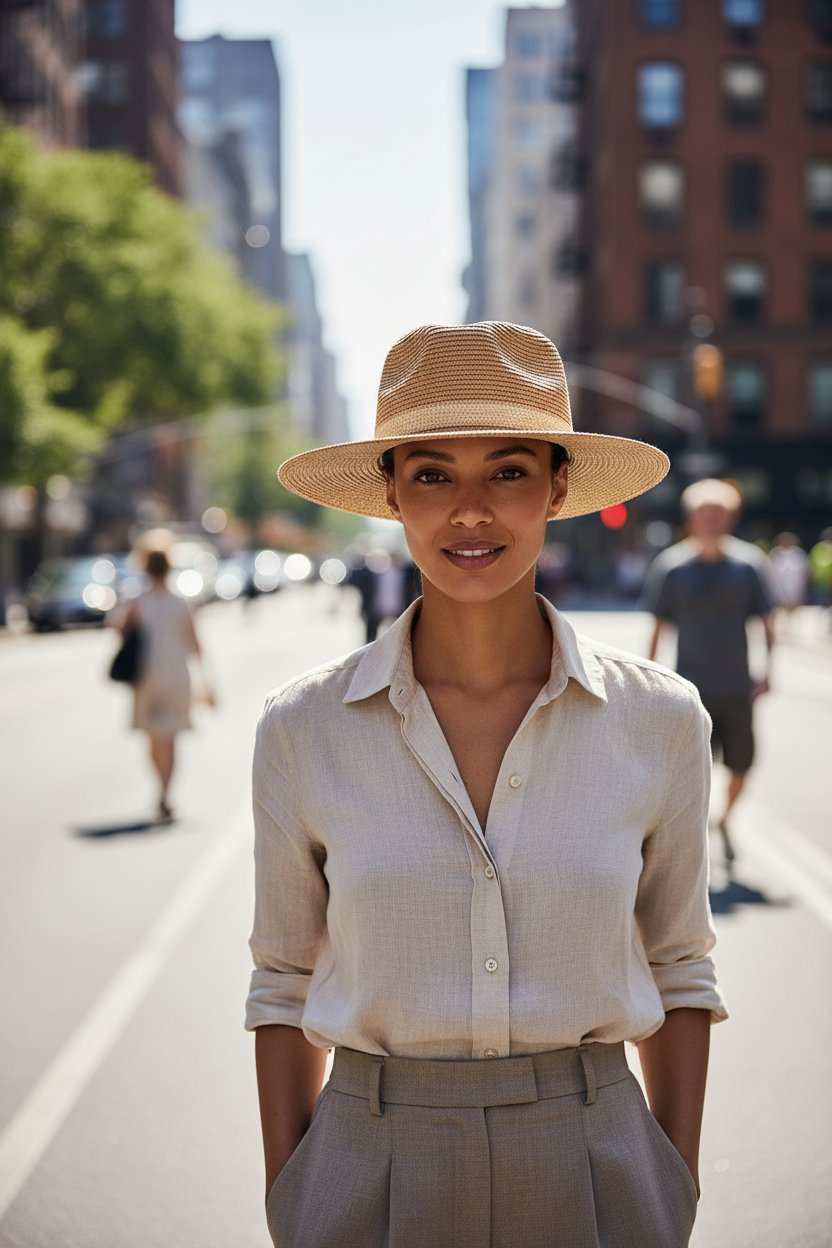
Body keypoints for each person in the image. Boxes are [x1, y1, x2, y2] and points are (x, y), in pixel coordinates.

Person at [248, 322, 727, 1248]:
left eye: (507, 471)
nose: (471, 510)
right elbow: (281, 979)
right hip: (367, 1162)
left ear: (556, 487)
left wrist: (674, 1184)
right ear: (391, 495)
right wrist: (291, 1194)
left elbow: (680, 968)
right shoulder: (302, 729)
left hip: (598, 1162)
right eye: (432, 474)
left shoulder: (660, 720)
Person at [643, 479, 775, 863]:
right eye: (704, 512)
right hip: (689, 691)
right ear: (692, 517)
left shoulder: (749, 565)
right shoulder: (671, 566)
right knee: (691, 772)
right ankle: (694, 831)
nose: (711, 519)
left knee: (741, 764)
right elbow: (658, 626)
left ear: (729, 517)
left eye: (718, 512)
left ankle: (727, 818)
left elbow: (766, 620)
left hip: (737, 687)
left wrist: (768, 670)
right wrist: (651, 678)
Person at [120, 547, 204, 823]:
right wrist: (205, 679)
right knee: (169, 738)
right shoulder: (181, 601)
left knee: (154, 738)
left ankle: (162, 790)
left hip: (147, 677)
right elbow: (194, 643)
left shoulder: (137, 600)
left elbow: (117, 627)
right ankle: (166, 793)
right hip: (176, 676)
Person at [769, 532, 809, 629]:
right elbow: (771, 573)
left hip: (795, 586)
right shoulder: (775, 554)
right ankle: (783, 627)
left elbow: (804, 572)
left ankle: (793, 627)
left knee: (794, 608)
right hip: (779, 587)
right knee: (780, 609)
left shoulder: (799, 554)